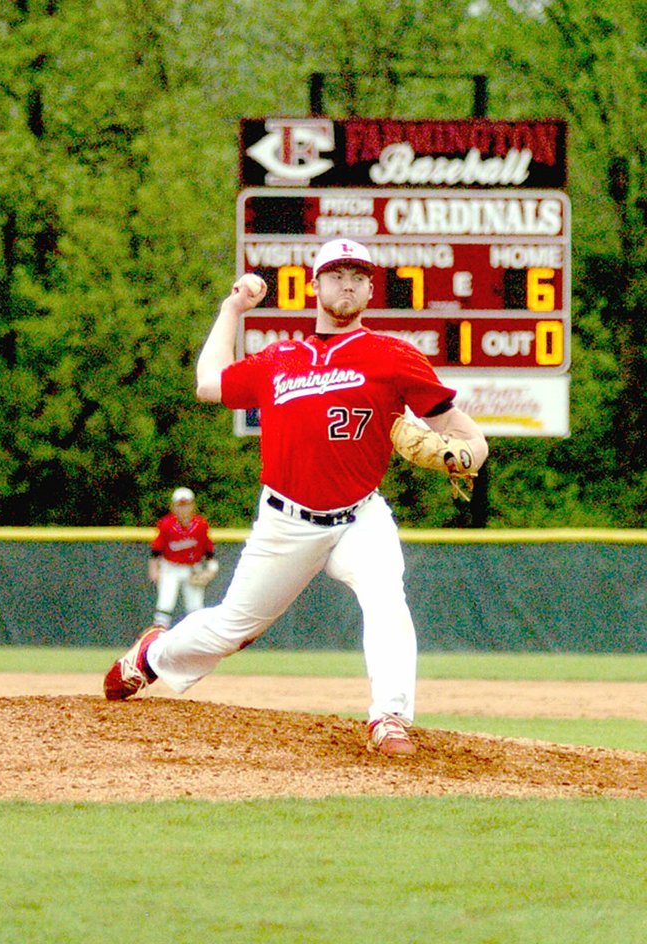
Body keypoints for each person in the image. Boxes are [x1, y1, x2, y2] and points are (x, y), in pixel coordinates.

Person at [104, 238, 488, 758]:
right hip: (287, 521)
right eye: (336, 274)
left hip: (360, 515)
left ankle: (390, 717)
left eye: (357, 276)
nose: (346, 284)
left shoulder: (393, 356)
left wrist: (470, 452)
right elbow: (207, 384)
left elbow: (460, 430)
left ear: (371, 289)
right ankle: (153, 655)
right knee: (231, 628)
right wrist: (232, 309)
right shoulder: (281, 357)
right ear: (316, 285)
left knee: (385, 595)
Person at [148, 487, 217, 629]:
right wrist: (154, 570)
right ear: (173, 506)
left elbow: (209, 552)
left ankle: (197, 641)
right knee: (165, 604)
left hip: (192, 569)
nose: (183, 509)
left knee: (195, 608)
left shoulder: (201, 525)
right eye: (180, 505)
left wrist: (210, 570)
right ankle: (158, 638)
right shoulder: (166, 524)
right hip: (170, 568)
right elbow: (156, 551)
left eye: (186, 504)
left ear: (192, 506)